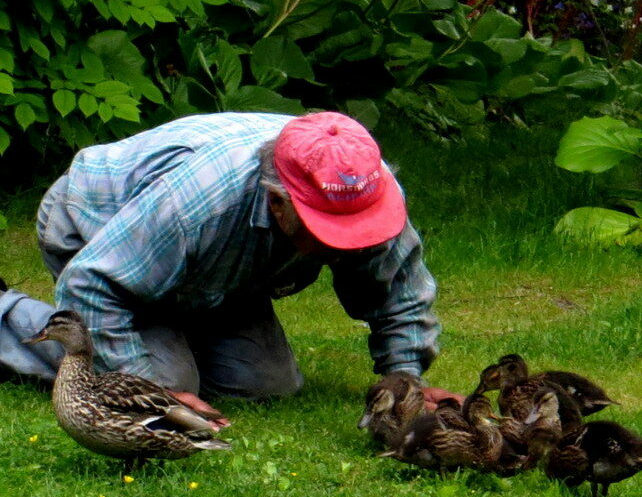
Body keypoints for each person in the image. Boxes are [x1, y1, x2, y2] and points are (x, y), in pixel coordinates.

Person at [0, 111, 458, 426]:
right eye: (328, 232)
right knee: (168, 390)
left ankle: (170, 333)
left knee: (266, 386)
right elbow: (92, 285)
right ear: (278, 202)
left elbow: (399, 287)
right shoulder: (198, 205)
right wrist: (150, 388)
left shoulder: (359, 184)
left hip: (214, 267)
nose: (346, 246)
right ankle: (7, 317)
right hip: (96, 229)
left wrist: (405, 381)